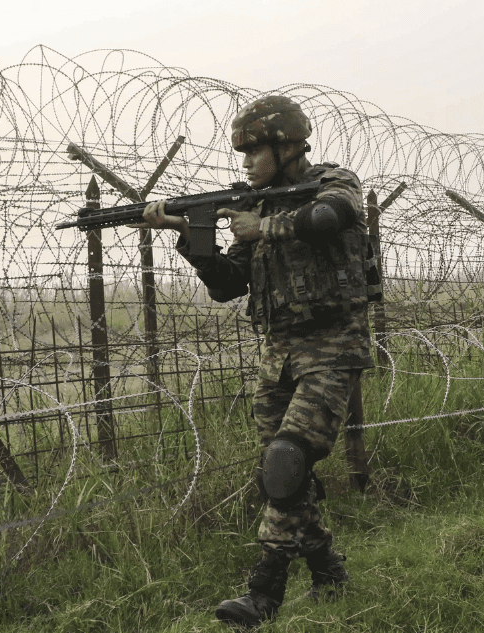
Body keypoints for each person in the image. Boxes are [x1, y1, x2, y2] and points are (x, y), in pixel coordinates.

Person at [141, 95, 375, 627]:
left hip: (333, 347)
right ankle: (327, 568)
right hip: (278, 355)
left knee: (287, 461)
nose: (245, 163)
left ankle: (265, 593)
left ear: (286, 146)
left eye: (253, 151)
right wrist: (190, 237)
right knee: (283, 476)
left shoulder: (334, 182)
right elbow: (227, 285)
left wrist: (265, 228)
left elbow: (334, 215)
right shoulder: (259, 207)